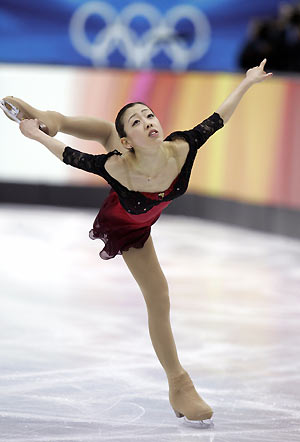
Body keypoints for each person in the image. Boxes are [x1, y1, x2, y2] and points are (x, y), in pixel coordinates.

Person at [1, 59, 272, 424]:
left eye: (150, 116)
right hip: (129, 226)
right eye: (138, 122)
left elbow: (219, 117)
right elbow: (70, 156)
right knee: (158, 296)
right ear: (130, 139)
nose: (149, 122)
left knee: (106, 131)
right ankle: (180, 384)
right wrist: (37, 135)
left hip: (135, 166)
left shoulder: (181, 147)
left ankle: (54, 117)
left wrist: (248, 82)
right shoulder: (117, 165)